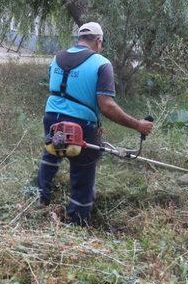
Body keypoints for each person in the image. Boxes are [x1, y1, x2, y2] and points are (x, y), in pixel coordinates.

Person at [37, 22, 154, 226]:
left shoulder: (56, 58)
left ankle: (39, 198)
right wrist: (138, 125)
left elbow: (66, 91)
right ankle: (77, 220)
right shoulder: (101, 63)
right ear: (98, 41)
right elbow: (107, 105)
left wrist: (95, 119)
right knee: (83, 170)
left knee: (54, 152)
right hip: (80, 126)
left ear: (80, 38)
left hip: (53, 119)